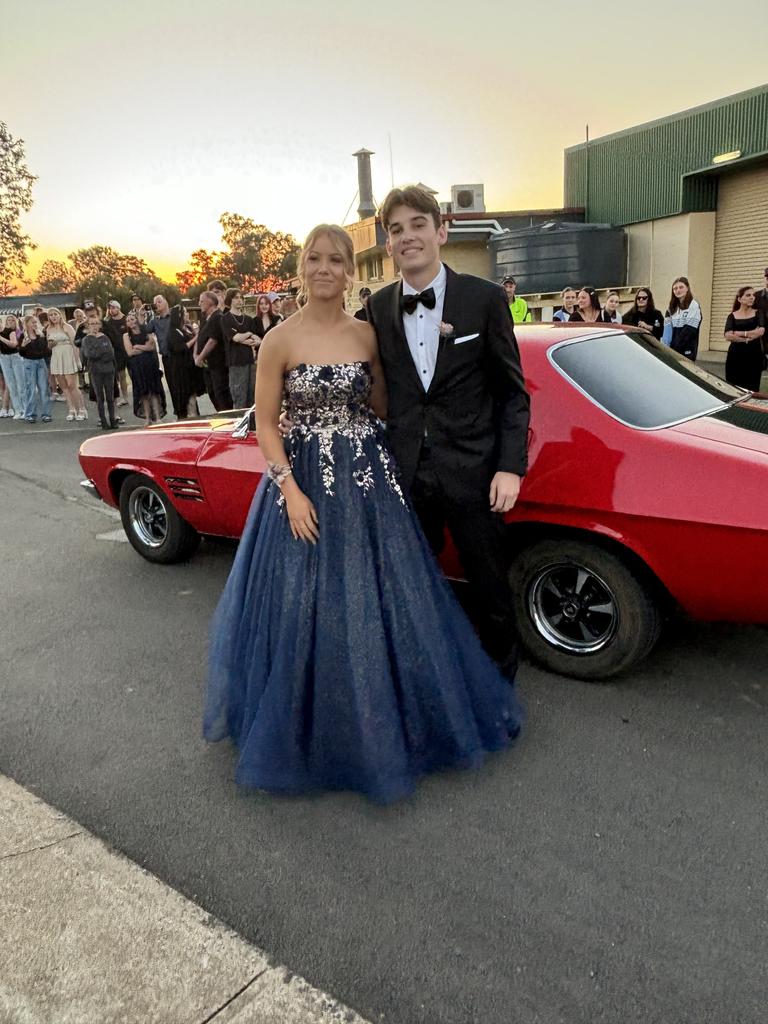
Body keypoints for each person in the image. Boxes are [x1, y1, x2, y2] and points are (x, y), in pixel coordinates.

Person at [203, 223, 523, 803]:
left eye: (336, 260)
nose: (324, 268)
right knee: (305, 604)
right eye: (314, 258)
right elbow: (267, 425)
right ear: (300, 266)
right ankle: (312, 727)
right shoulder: (278, 340)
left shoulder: (368, 334)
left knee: (379, 597)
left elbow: (389, 404)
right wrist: (289, 490)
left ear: (350, 269)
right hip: (299, 484)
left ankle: (389, 717)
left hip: (370, 481)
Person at [367, 184, 530, 682]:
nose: (407, 237)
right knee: (410, 580)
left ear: (441, 229)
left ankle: (499, 686)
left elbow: (512, 392)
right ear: (388, 242)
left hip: (475, 474)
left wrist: (509, 467)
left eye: (418, 224)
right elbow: (354, 372)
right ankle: (425, 676)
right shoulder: (376, 307)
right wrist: (289, 407)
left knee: (488, 586)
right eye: (396, 230)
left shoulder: (482, 299)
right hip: (408, 474)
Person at [123, 311, 166, 421]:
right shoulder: (126, 336)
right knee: (143, 393)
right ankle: (147, 418)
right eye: (128, 320)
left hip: (150, 364)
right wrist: (143, 348)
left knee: (154, 391)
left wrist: (138, 346)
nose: (130, 322)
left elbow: (151, 347)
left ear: (136, 320)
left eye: (132, 319)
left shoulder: (146, 331)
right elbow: (130, 352)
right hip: (137, 367)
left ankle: (157, 416)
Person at [46, 307, 86, 421]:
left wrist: (77, 359)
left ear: (60, 315)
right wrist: (51, 344)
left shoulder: (67, 327)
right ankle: (71, 409)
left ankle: (82, 409)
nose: (53, 317)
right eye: (51, 315)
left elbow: (75, 344)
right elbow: (48, 347)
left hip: (68, 356)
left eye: (55, 314)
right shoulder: (49, 329)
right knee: (63, 386)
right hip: (56, 357)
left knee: (72, 385)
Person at [194, 290, 232, 410]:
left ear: (210, 302)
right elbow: (199, 336)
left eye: (202, 301)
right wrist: (195, 354)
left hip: (217, 365)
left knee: (220, 393)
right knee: (211, 392)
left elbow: (212, 340)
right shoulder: (204, 318)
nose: (199, 303)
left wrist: (200, 357)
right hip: (207, 366)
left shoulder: (218, 317)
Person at [165, 304, 204, 419]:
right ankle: (190, 417)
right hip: (180, 369)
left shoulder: (184, 328)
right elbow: (181, 347)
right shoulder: (173, 332)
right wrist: (196, 338)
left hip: (188, 367)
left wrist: (193, 332)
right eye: (185, 312)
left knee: (192, 395)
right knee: (186, 395)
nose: (187, 314)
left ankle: (194, 415)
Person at [221, 288, 258, 408]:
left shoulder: (248, 319)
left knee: (251, 396)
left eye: (241, 298)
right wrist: (248, 333)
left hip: (250, 361)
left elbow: (256, 340)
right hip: (236, 362)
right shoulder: (225, 318)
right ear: (230, 300)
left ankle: (252, 425)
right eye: (236, 297)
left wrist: (247, 338)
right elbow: (236, 338)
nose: (239, 300)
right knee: (239, 397)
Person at [724, 287, 765, 392]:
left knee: (752, 389)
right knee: (733, 388)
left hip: (754, 356)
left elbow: (760, 331)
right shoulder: (732, 316)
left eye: (753, 295)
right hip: (735, 356)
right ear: (739, 299)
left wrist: (739, 333)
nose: (752, 297)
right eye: (748, 295)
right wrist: (746, 339)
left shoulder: (758, 313)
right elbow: (728, 335)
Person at [81, 314, 119, 429]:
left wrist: (100, 352)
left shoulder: (105, 337)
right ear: (88, 325)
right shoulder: (86, 339)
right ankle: (103, 421)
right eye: (92, 324)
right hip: (95, 370)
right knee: (100, 397)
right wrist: (101, 350)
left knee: (110, 397)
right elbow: (90, 354)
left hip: (109, 369)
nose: (95, 326)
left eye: (97, 323)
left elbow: (111, 353)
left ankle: (113, 419)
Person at [19, 316, 52, 424]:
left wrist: (44, 340)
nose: (35, 324)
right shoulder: (23, 336)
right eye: (32, 322)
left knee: (44, 389)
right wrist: (23, 346)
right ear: (27, 323)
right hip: (29, 363)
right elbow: (21, 353)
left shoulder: (41, 335)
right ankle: (30, 414)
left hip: (41, 362)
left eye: (36, 322)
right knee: (31, 389)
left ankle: (46, 414)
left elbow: (45, 351)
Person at [664, 276, 702, 361]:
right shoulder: (671, 308)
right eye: (675, 288)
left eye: (681, 287)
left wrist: (676, 349)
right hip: (672, 351)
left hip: (687, 350)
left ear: (687, 288)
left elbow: (689, 331)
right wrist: (665, 348)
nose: (678, 290)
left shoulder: (693, 305)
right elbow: (667, 332)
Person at [102, 300, 130, 405]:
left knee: (133, 375)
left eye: (113, 307)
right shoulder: (108, 322)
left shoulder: (126, 319)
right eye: (110, 308)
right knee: (121, 375)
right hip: (117, 353)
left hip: (129, 350)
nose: (112, 310)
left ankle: (140, 396)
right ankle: (125, 397)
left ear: (118, 308)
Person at [0, 314, 27, 420]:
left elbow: (13, 344)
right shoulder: (3, 332)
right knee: (11, 385)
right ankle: (18, 410)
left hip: (15, 357)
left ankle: (25, 409)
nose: (10, 322)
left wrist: (1, 338)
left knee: (21, 385)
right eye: (8, 320)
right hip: (4, 359)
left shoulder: (12, 332)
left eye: (12, 320)